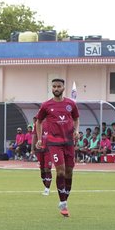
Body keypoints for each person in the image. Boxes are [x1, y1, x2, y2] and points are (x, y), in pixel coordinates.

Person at [35, 78, 80, 217]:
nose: (56, 88)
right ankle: (63, 203)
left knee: (69, 172)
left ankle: (65, 199)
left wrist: (76, 131)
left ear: (63, 88)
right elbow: (39, 121)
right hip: (54, 143)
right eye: (54, 86)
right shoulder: (46, 105)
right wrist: (39, 138)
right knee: (60, 171)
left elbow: (76, 119)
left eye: (58, 86)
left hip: (69, 142)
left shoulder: (70, 104)